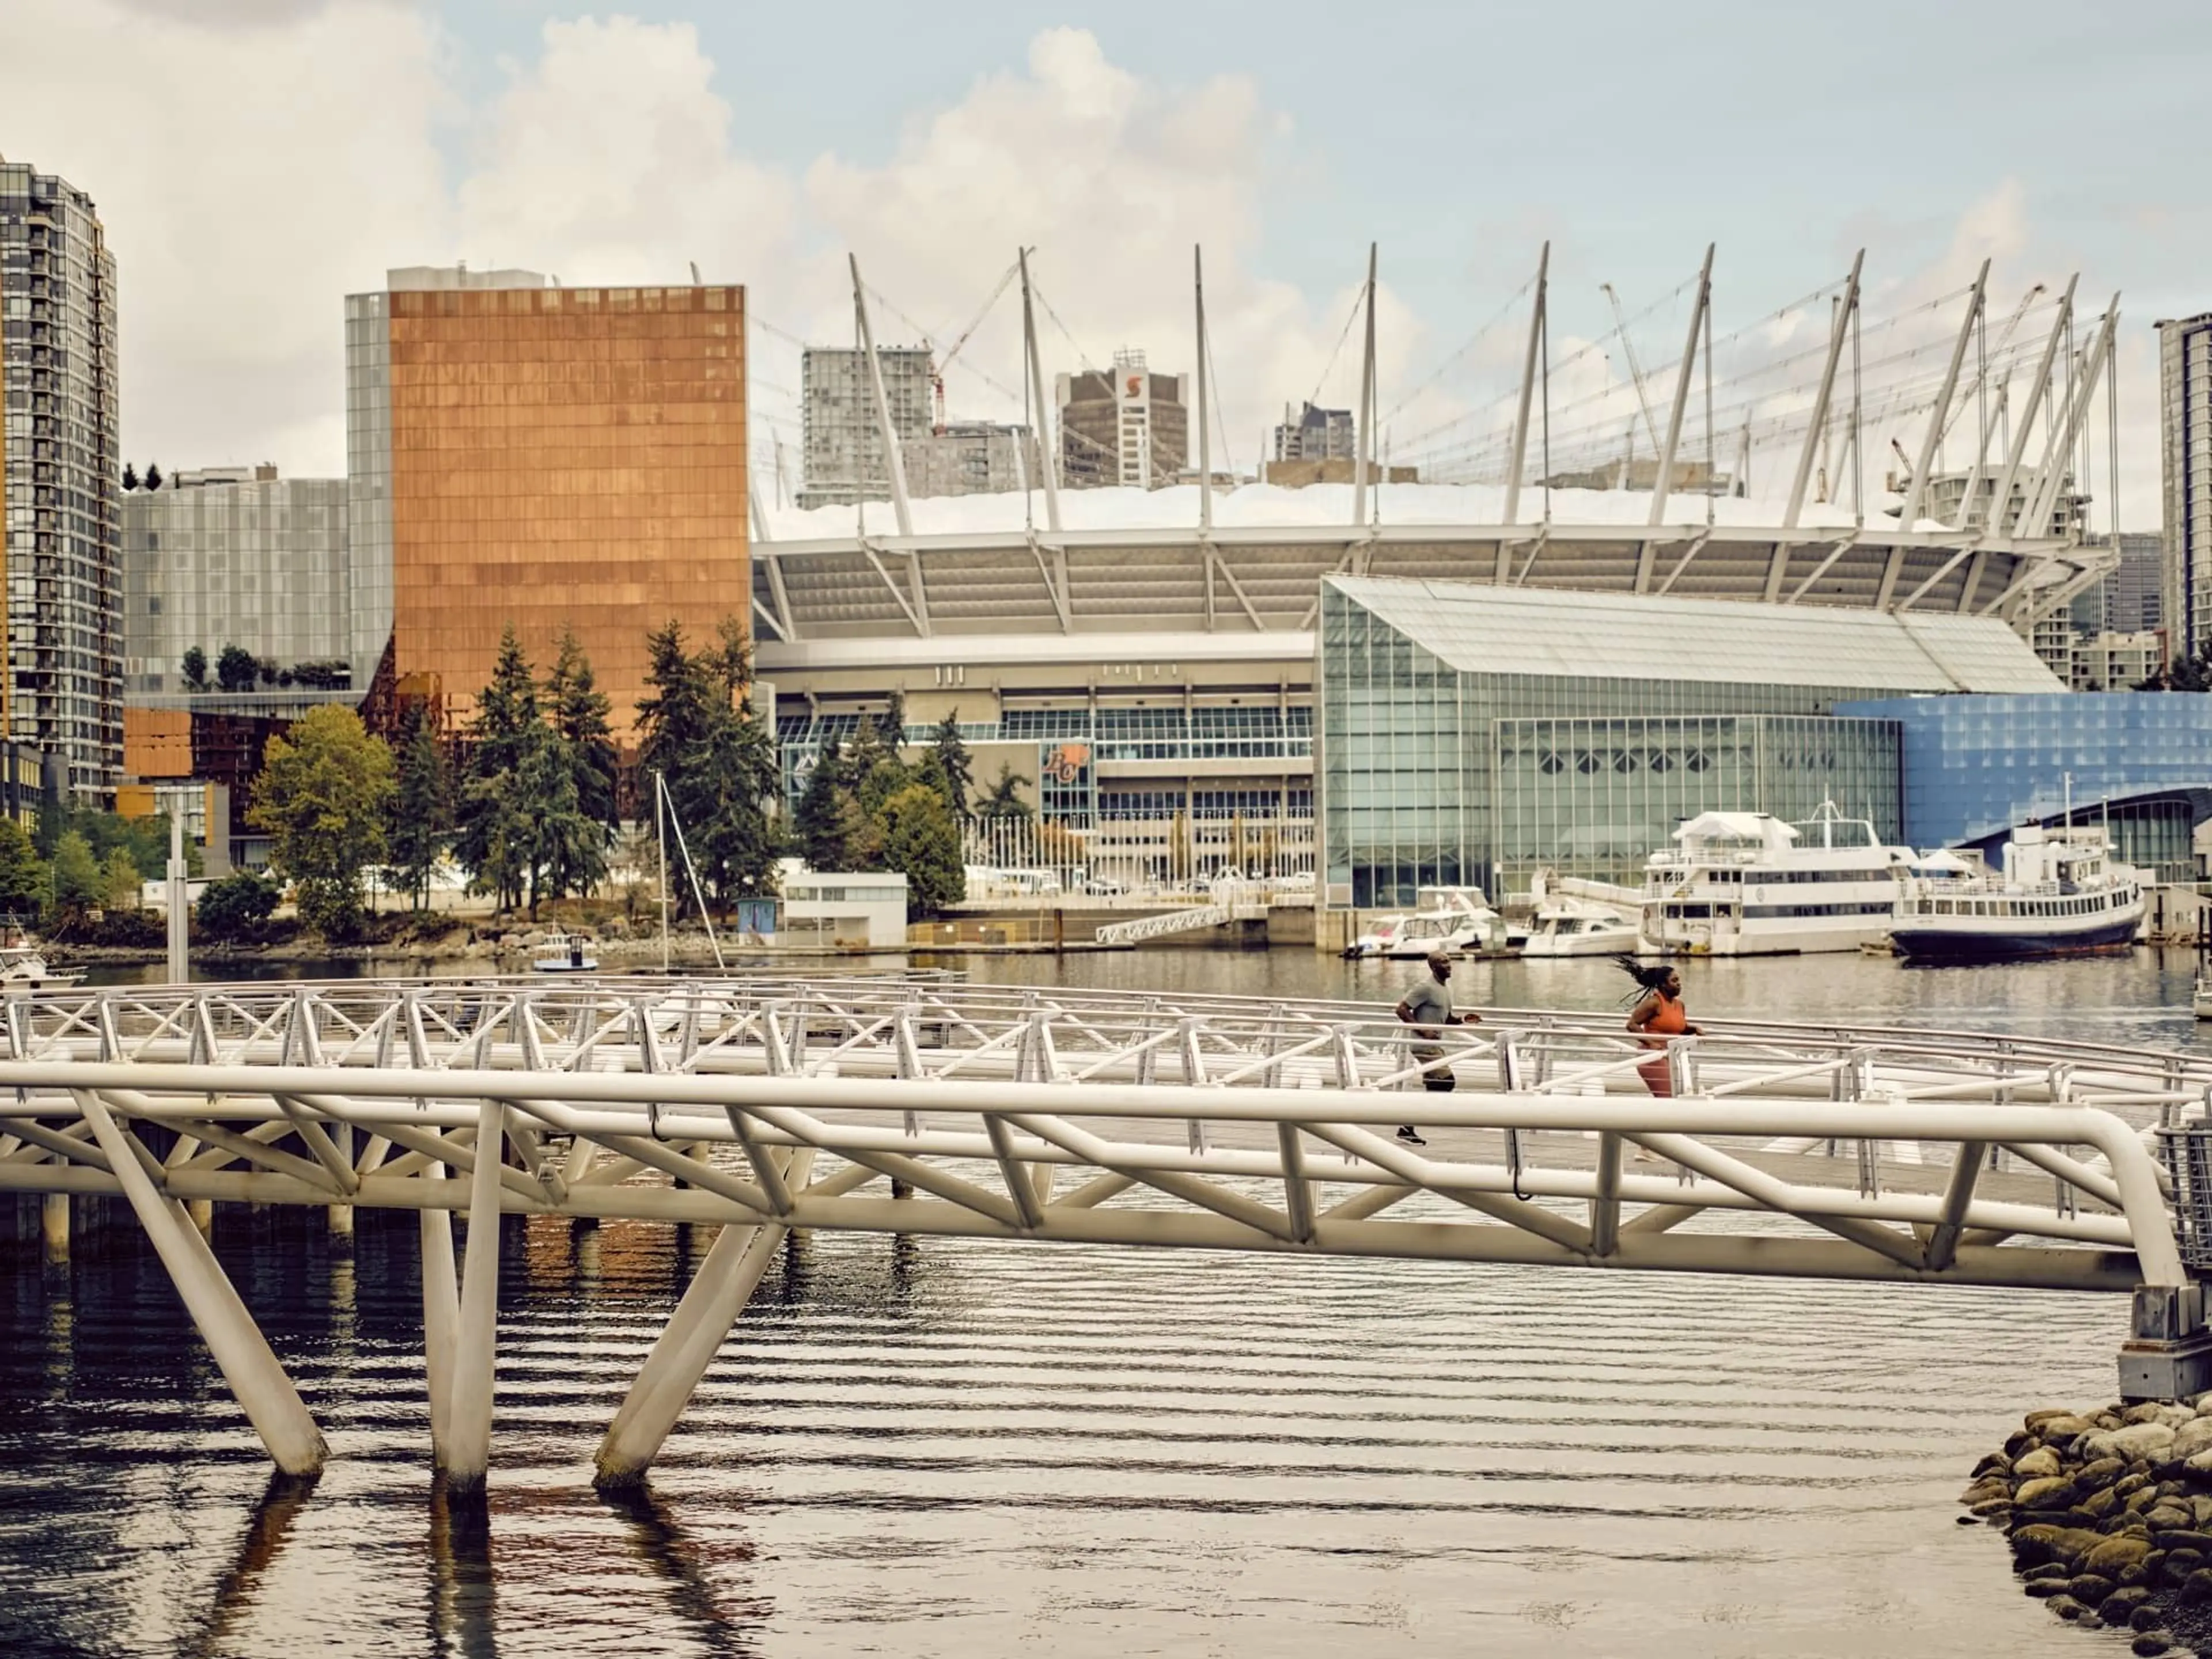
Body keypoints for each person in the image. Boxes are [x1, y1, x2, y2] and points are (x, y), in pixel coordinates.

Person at [1393, 949, 1479, 1146]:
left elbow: (1446, 1020)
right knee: (1447, 1082)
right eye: (1443, 963)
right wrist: (1423, 1031)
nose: (1449, 965)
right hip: (1424, 1046)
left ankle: (1406, 1128)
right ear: (1433, 967)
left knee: (1435, 1088)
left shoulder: (1445, 989)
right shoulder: (1425, 988)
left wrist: (1464, 1020)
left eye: (1449, 961)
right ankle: (1406, 1125)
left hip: (1434, 1045)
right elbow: (1401, 1010)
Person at [1615, 954, 1700, 1099]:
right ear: (1663, 985)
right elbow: (1632, 1025)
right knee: (1668, 1098)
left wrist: (1693, 1029)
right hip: (1653, 1057)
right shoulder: (1654, 1003)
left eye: (1679, 980)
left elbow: (1678, 1029)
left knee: (1676, 1098)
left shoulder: (1679, 1005)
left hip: (1672, 1057)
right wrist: (1651, 1044)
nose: (1679, 984)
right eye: (1674, 981)